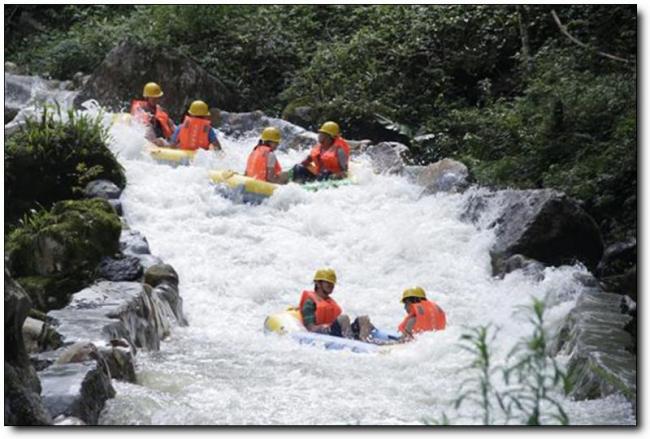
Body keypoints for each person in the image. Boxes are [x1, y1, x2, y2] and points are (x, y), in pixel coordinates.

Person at [297, 268, 373, 340]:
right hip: (324, 332)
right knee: (343, 318)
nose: (331, 285)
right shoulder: (310, 303)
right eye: (327, 282)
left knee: (364, 319)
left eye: (332, 283)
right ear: (318, 283)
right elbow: (310, 328)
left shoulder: (330, 302)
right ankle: (350, 340)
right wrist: (324, 328)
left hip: (335, 331)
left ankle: (365, 340)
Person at [130, 82, 176, 146]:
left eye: (158, 97)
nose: (156, 100)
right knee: (156, 138)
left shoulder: (160, 110)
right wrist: (150, 118)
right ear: (147, 97)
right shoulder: (140, 108)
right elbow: (139, 123)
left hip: (161, 140)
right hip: (148, 140)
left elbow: (171, 125)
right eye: (154, 98)